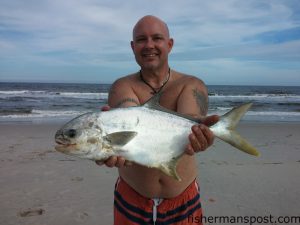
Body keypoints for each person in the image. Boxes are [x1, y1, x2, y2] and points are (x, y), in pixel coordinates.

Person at [97, 15, 219, 225]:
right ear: (133, 46)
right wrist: (110, 144)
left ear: (169, 44)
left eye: (157, 38)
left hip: (184, 201)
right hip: (131, 200)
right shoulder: (122, 86)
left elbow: (189, 123)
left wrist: (199, 137)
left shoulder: (191, 84)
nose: (149, 45)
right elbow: (131, 121)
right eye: (142, 39)